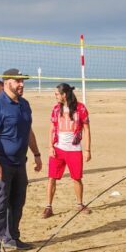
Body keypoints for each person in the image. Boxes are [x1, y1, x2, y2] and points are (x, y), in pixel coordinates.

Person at [0, 68, 43, 252]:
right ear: (7, 82)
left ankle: (11, 237)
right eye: (18, 81)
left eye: (23, 81)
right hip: (0, 162)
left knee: (17, 201)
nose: (22, 84)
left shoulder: (24, 104)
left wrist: (36, 153)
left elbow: (28, 131)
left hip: (19, 162)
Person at [43, 83, 91, 218]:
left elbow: (86, 129)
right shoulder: (56, 109)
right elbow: (52, 128)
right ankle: (48, 207)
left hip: (74, 149)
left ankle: (80, 204)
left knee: (77, 178)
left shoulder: (80, 108)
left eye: (57, 94)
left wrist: (87, 149)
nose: (55, 96)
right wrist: (50, 146)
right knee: (51, 178)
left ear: (64, 94)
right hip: (58, 148)